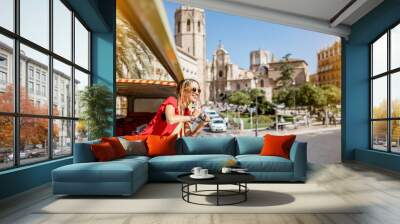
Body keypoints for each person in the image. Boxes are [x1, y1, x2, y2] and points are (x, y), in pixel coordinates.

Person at [140, 79, 210, 137]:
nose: (197, 93)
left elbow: (189, 136)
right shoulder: (172, 100)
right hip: (146, 142)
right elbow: (170, 120)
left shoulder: (186, 111)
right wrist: (192, 117)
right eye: (194, 89)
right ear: (183, 91)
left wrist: (202, 124)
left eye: (199, 90)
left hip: (162, 147)